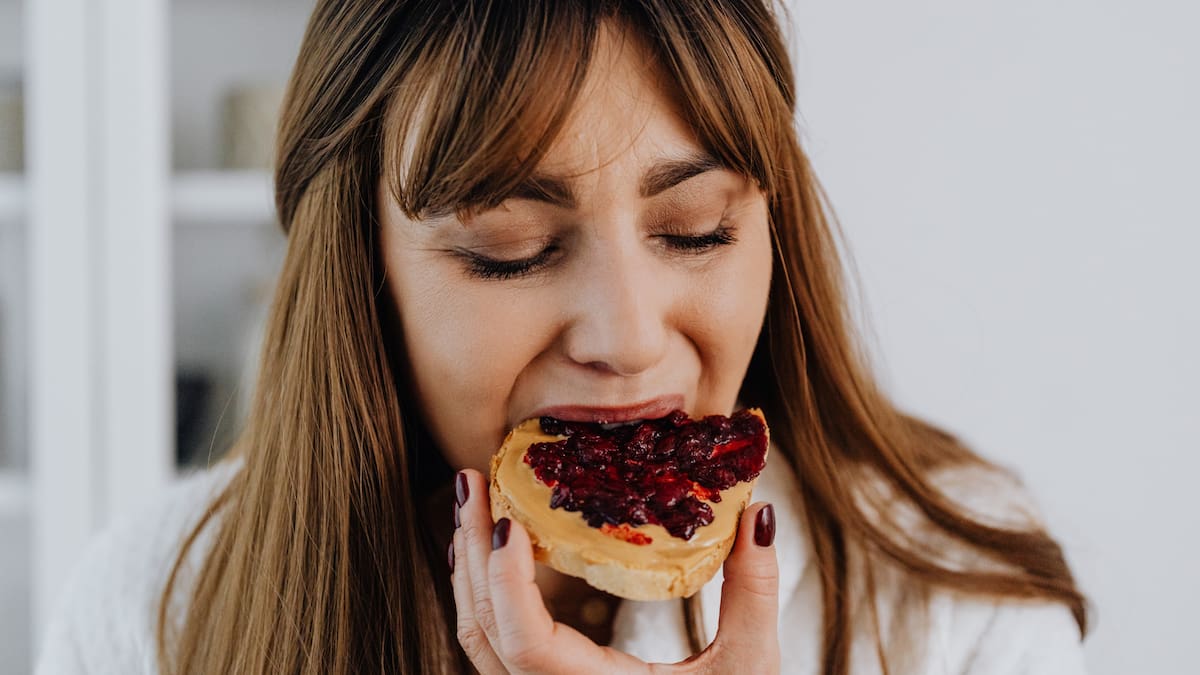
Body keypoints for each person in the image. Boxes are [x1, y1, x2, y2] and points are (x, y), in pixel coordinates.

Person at [35, 1, 1091, 673]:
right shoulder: (153, 611)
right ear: (360, 276)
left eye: (696, 230)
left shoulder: (955, 599)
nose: (629, 338)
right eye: (511, 248)